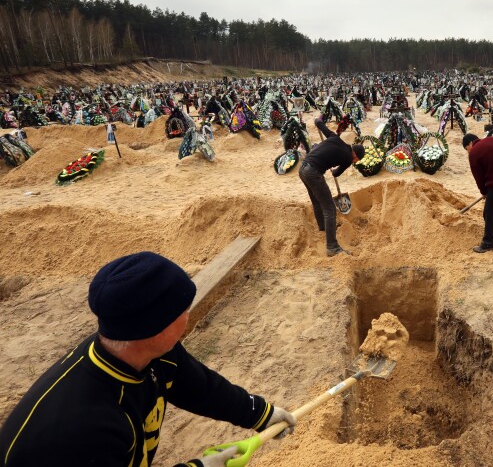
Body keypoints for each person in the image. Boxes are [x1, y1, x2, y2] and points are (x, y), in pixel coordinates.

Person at [0, 252, 296, 467]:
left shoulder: (154, 353)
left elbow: (199, 387)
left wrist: (258, 413)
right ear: (155, 328)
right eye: (184, 309)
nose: (188, 315)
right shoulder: (85, 428)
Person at [300, 117, 365, 257]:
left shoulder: (335, 138)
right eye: (356, 159)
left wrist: (317, 121)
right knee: (329, 208)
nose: (354, 161)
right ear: (355, 154)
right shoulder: (348, 158)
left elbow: (321, 126)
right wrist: (332, 168)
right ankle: (332, 247)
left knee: (317, 201)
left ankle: (323, 228)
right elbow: (336, 173)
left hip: (303, 168)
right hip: (313, 172)